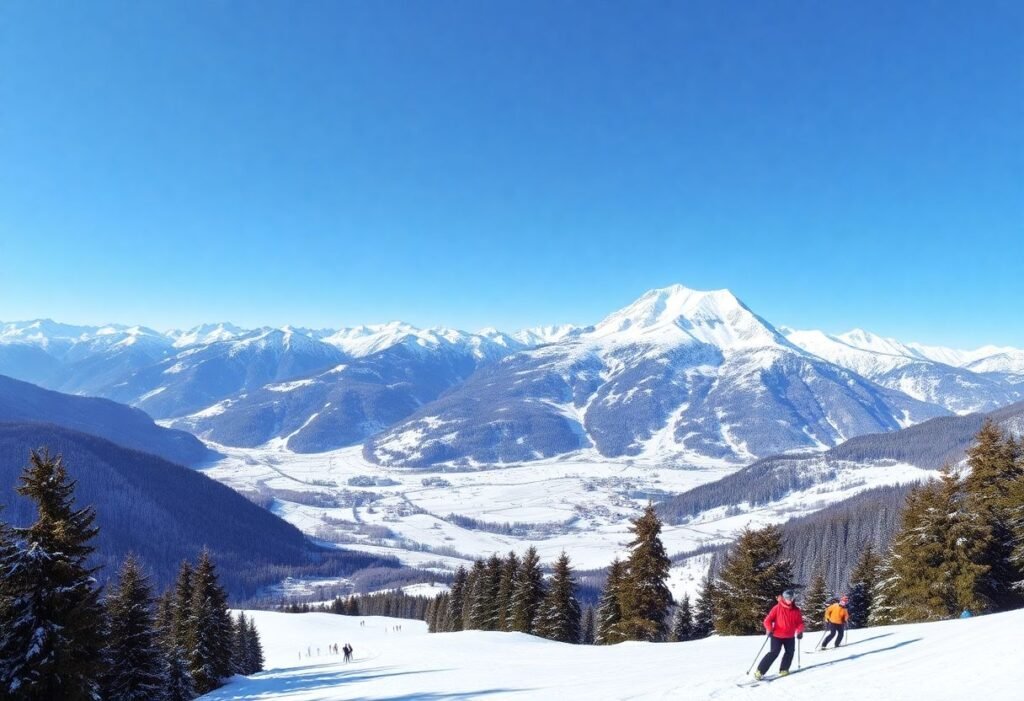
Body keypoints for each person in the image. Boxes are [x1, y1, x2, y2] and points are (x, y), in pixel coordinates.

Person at [754, 589, 805, 680]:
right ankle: (760, 671)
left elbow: (800, 623)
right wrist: (769, 629)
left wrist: (800, 631)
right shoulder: (777, 608)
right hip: (777, 635)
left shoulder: (796, 610)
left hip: (790, 636)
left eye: (791, 598)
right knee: (774, 653)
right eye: (788, 598)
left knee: (789, 652)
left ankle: (784, 669)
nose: (790, 600)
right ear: (784, 598)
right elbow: (767, 620)